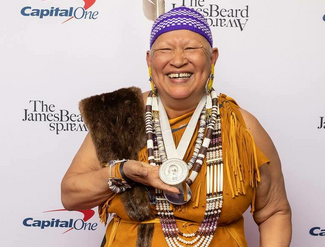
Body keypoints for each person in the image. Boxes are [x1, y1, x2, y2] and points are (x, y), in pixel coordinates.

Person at [61, 6, 291, 247]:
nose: (179, 60)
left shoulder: (241, 126)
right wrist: (122, 173)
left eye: (191, 48)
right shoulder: (118, 116)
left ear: (212, 58)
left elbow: (274, 211)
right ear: (150, 60)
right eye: (165, 50)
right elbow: (70, 195)